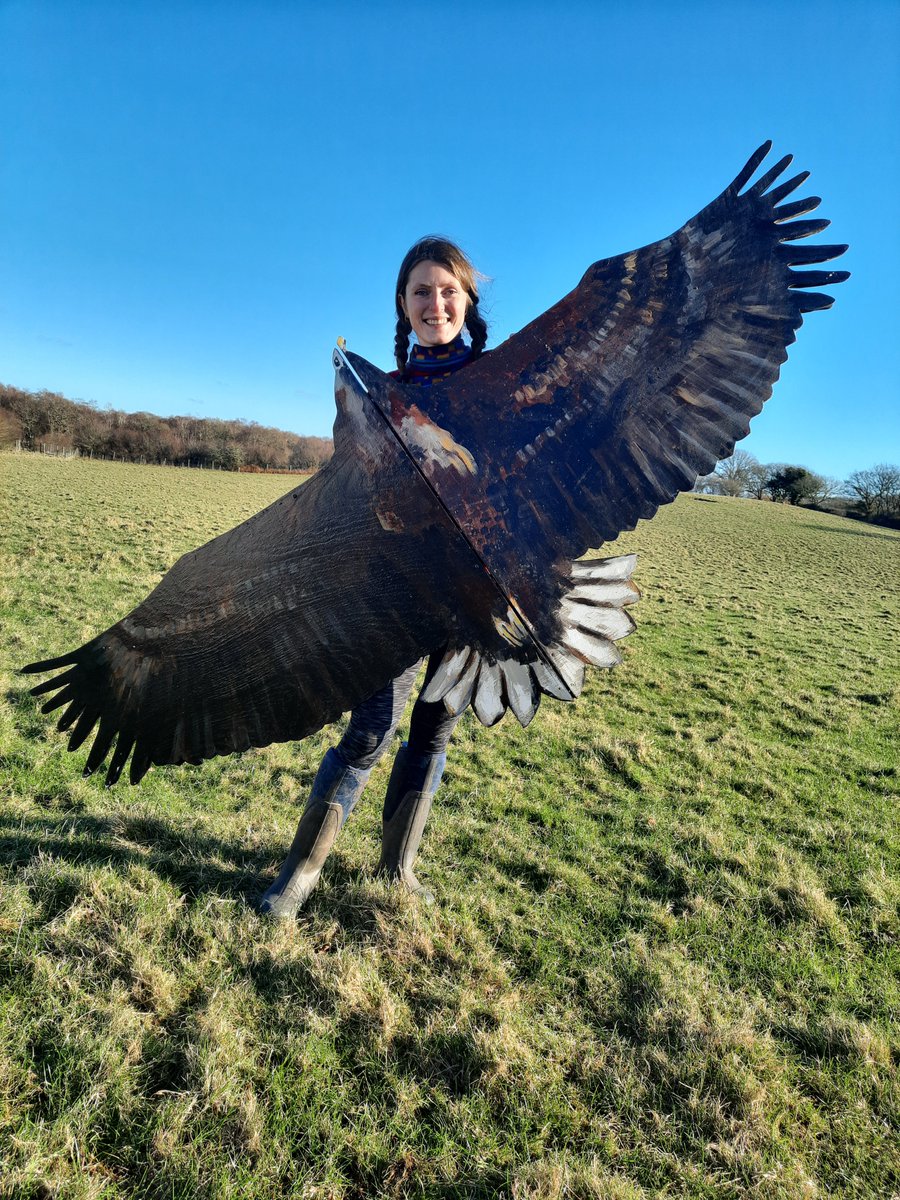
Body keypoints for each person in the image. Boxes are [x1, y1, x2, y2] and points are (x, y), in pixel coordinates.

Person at [259, 236, 489, 918]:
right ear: (403, 304)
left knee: (436, 727)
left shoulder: (499, 386)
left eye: (448, 290)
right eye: (421, 290)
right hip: (389, 589)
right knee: (370, 729)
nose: (435, 302)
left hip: (469, 590)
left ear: (467, 302)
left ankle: (398, 868)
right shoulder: (379, 395)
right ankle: (298, 876)